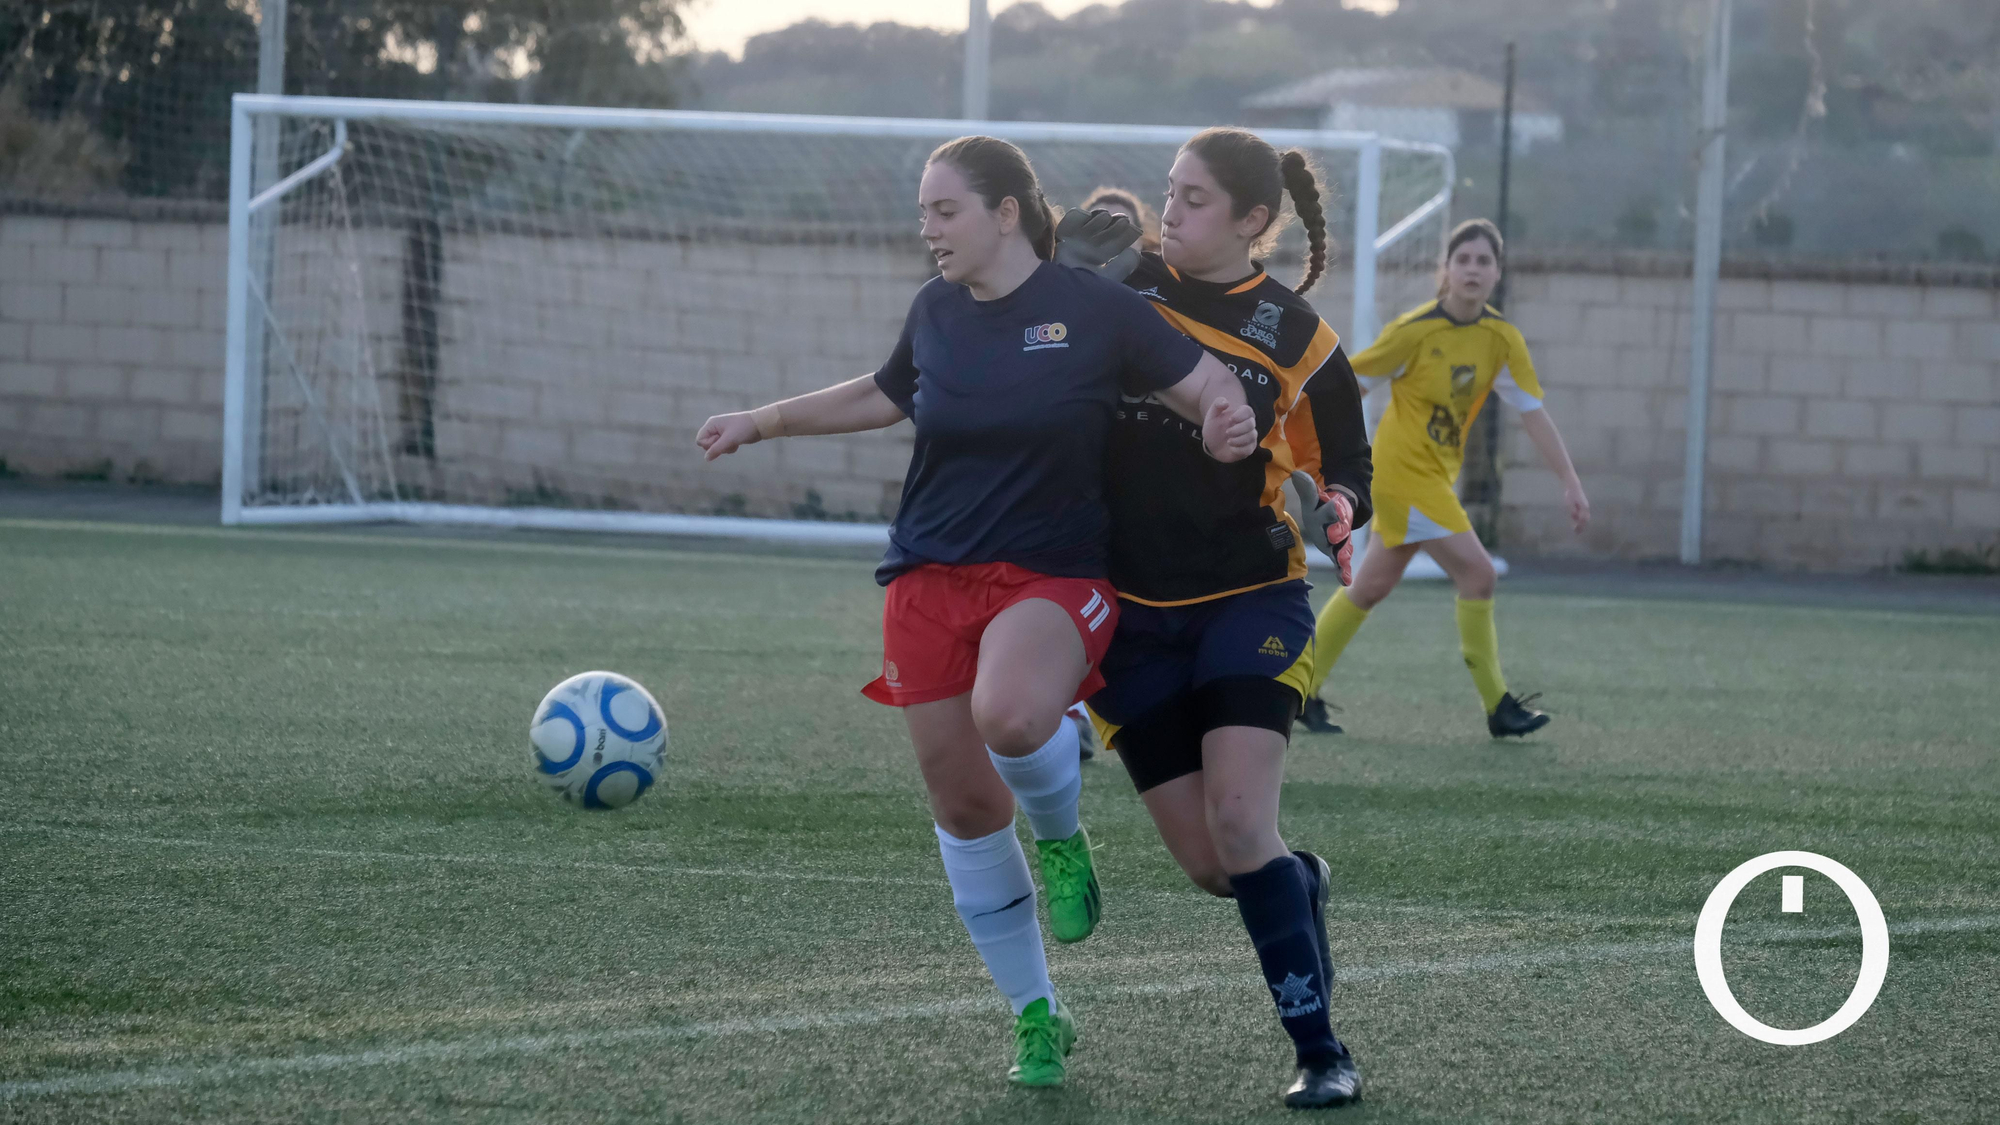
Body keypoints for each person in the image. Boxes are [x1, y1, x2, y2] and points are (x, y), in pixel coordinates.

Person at [696, 135, 1257, 1088]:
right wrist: (765, 420)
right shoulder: (936, 310)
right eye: (923, 212)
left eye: (944, 210)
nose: (928, 228)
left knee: (1012, 714)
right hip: (928, 575)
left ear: (1005, 213)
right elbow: (884, 394)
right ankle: (1037, 1014)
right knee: (962, 806)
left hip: (1053, 573)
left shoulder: (1097, 308)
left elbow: (1206, 381)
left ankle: (1062, 835)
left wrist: (1224, 418)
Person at [1078, 128, 1371, 1109]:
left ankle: (1322, 1052)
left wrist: (1339, 508)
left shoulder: (1299, 336)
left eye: (1194, 198)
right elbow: (1014, 291)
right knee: (1217, 867)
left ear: (1253, 221)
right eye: (1170, 191)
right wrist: (1064, 247)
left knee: (1242, 825)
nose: (1172, 212)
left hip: (1248, 596)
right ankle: (1298, 881)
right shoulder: (1117, 283)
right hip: (1126, 617)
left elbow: (1347, 465)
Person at [1299, 218, 1590, 739]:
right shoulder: (1415, 330)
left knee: (1370, 586)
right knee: (1480, 575)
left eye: (1484, 261)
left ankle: (1301, 689)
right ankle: (1498, 705)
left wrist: (1569, 480)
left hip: (1435, 477)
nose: (1473, 269)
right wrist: (1310, 448)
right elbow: (1347, 385)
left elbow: (1532, 411)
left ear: (1497, 272)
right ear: (1446, 269)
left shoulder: (1501, 339)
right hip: (1403, 475)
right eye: (1464, 260)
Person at [1060, 186, 1164, 764]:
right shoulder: (1055, 299)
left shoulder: (1159, 301)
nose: (1111, 244)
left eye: (1123, 231)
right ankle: (1071, 710)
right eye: (1101, 228)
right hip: (1078, 476)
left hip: (1145, 479)